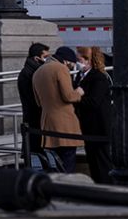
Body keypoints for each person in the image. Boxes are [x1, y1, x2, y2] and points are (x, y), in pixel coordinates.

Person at [32, 45, 83, 173]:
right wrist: (79, 92)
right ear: (66, 61)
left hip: (47, 124)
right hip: (64, 125)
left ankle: (55, 189)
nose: (71, 67)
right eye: (71, 64)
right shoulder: (60, 69)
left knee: (55, 165)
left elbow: (38, 102)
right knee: (68, 164)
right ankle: (66, 191)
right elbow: (68, 96)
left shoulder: (38, 72)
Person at [73, 46, 113, 183]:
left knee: (102, 161)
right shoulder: (80, 76)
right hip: (88, 126)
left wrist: (78, 97)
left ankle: (106, 188)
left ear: (88, 60)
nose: (78, 63)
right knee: (92, 160)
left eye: (80, 59)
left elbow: (94, 102)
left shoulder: (99, 77)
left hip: (99, 127)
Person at [17, 42, 49, 164]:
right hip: (34, 119)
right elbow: (33, 99)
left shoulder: (31, 72)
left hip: (35, 119)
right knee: (35, 154)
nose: (47, 60)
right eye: (45, 57)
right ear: (37, 58)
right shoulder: (29, 74)